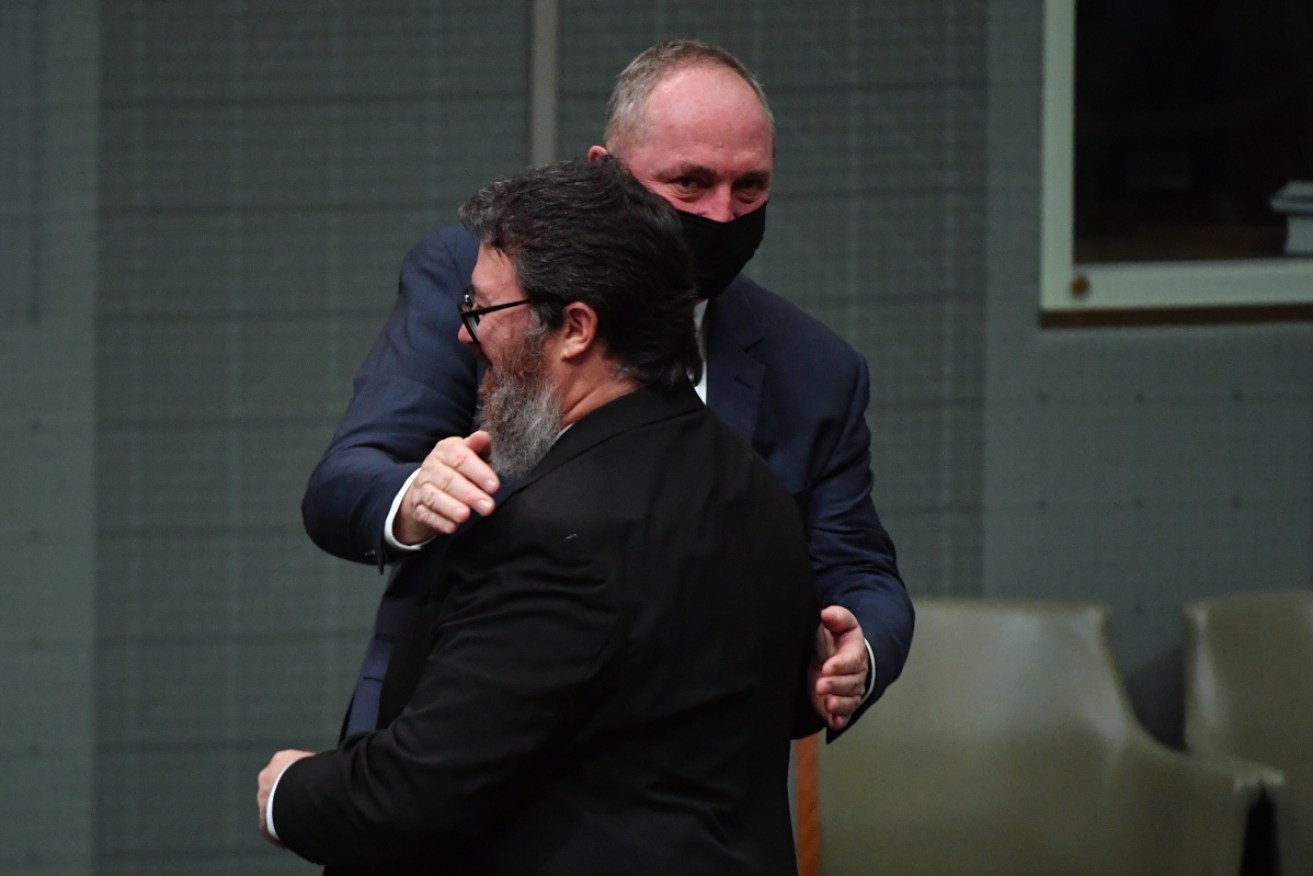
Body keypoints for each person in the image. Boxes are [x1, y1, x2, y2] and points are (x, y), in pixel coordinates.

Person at [302, 38, 913, 735]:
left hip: (681, 781)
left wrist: (860, 649)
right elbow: (345, 482)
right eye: (689, 183)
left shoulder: (814, 367)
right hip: (454, 741)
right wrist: (414, 499)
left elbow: (858, 565)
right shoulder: (481, 282)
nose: (720, 216)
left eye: (750, 188)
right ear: (607, 176)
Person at [259, 157, 821, 875]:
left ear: (575, 329)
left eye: (483, 311)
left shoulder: (549, 536)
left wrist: (288, 791)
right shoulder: (760, 493)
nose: (463, 336)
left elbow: (415, 792)